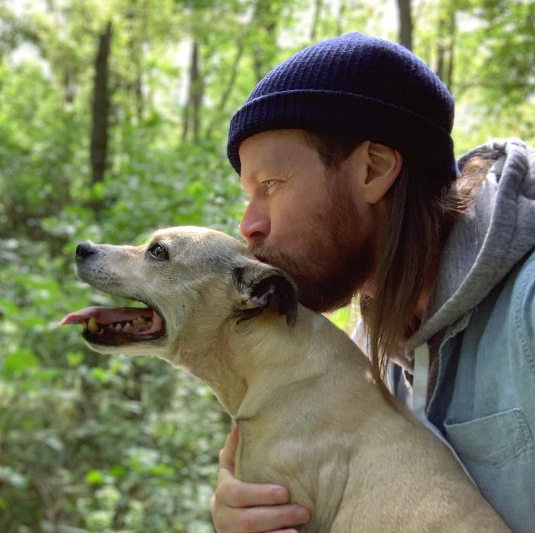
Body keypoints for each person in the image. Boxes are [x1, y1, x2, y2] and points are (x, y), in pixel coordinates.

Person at [212, 32, 535, 532]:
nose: (248, 226)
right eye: (247, 197)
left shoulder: (527, 305)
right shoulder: (366, 353)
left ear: (374, 169)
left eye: (270, 186)